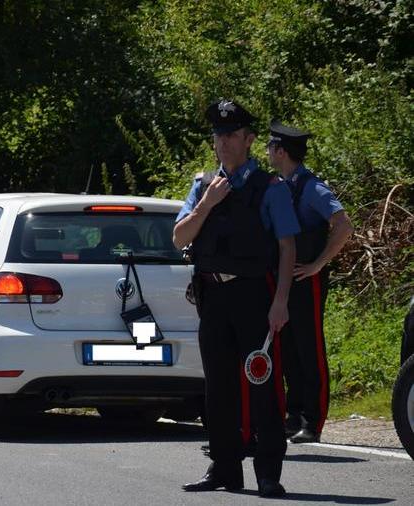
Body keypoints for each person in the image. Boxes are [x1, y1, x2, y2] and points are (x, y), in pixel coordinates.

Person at [174, 99, 300, 498]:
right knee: (219, 386)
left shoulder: (270, 188)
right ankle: (225, 468)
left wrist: (280, 301)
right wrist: (207, 204)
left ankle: (268, 472)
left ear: (248, 140)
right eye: (218, 135)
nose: (223, 142)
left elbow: (286, 248)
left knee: (261, 383)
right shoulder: (202, 186)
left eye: (230, 135)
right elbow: (179, 237)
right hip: (212, 294)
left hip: (252, 296)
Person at [267, 121, 353, 443]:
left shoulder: (312, 188)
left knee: (310, 347)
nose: (266, 151)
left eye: (270, 146)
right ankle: (293, 414)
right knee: (287, 346)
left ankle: (312, 421)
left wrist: (319, 264)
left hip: (307, 279)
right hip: (283, 279)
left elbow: (344, 225)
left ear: (281, 151)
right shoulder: (279, 184)